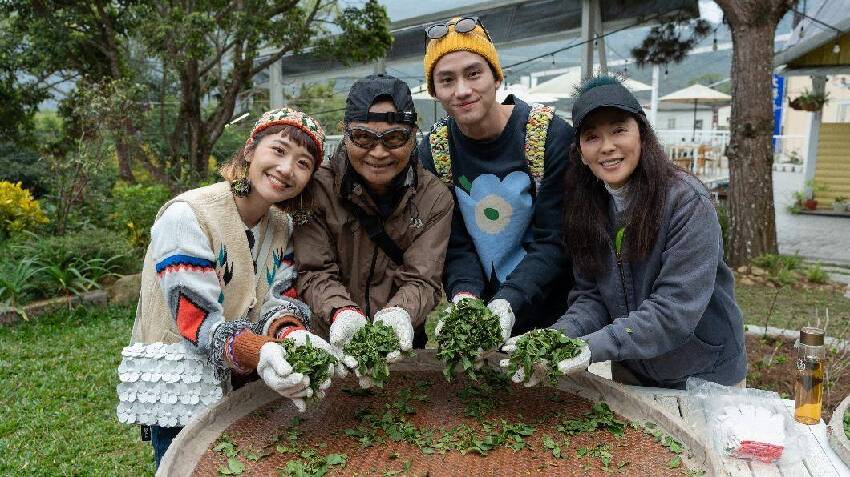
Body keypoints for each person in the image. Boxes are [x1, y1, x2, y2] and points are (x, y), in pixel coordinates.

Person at [116, 108, 343, 468]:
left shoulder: (280, 226)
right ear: (250, 150)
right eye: (279, 150)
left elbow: (278, 299)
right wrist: (262, 351)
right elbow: (197, 322)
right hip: (183, 386)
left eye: (303, 163)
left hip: (242, 377)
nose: (287, 169)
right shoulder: (189, 216)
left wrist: (293, 334)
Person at [503, 75, 746, 390]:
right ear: (579, 150)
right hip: (634, 370)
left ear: (642, 134)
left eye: (619, 130)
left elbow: (673, 311)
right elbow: (593, 297)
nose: (607, 147)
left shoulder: (686, 202)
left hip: (705, 375)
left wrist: (590, 348)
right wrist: (558, 337)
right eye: (592, 137)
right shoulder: (587, 208)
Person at [418, 17, 575, 343]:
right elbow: (455, 243)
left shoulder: (547, 136)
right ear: (435, 91)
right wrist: (464, 298)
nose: (462, 90)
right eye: (446, 80)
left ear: (495, 76)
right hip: (481, 315)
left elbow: (555, 240)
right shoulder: (435, 151)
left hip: (554, 315)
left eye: (473, 74)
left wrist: (509, 300)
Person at [294, 74, 454, 386]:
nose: (378, 153)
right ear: (345, 134)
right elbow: (314, 272)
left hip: (401, 342)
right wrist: (342, 313)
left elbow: (423, 279)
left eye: (394, 139)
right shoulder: (317, 190)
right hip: (329, 340)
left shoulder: (434, 198)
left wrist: (397, 318)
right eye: (363, 139)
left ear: (412, 135)